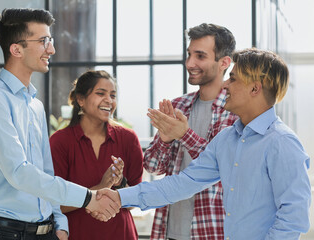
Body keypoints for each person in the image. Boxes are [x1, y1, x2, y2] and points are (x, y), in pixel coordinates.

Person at [98, 48, 312, 240]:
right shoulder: (227, 139)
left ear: (255, 89)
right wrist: (121, 196)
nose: (226, 84)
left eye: (234, 79)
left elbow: (293, 218)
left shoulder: (282, 143)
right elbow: (183, 183)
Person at [0, 8, 118, 240]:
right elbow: (19, 172)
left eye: (51, 40)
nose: (52, 49)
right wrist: (88, 198)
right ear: (16, 49)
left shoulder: (35, 105)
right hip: (6, 233)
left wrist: (60, 222)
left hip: (47, 231)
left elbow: (46, 173)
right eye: (43, 41)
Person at [143, 23, 238, 240]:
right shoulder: (179, 106)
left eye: (200, 56)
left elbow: (222, 167)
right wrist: (165, 140)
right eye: (189, 54)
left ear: (224, 62)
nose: (189, 63)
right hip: (170, 231)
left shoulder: (236, 112)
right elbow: (152, 166)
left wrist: (184, 134)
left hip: (214, 232)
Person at [49, 70, 143, 240]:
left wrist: (120, 182)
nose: (109, 100)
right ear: (80, 99)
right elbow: (54, 204)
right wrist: (100, 186)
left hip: (121, 235)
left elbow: (135, 202)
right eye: (101, 93)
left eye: (113, 95)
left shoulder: (128, 139)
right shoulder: (60, 142)